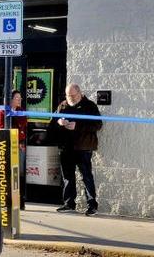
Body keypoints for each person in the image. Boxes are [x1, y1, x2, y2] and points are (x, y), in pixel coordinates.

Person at [50, 83, 103, 216]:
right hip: (66, 147)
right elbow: (52, 121)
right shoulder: (62, 105)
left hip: (83, 147)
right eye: (68, 95)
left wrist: (77, 126)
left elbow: (97, 125)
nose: (71, 98)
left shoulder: (90, 106)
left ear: (80, 93)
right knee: (67, 176)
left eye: (73, 95)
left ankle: (92, 205)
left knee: (86, 176)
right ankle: (69, 203)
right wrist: (58, 122)